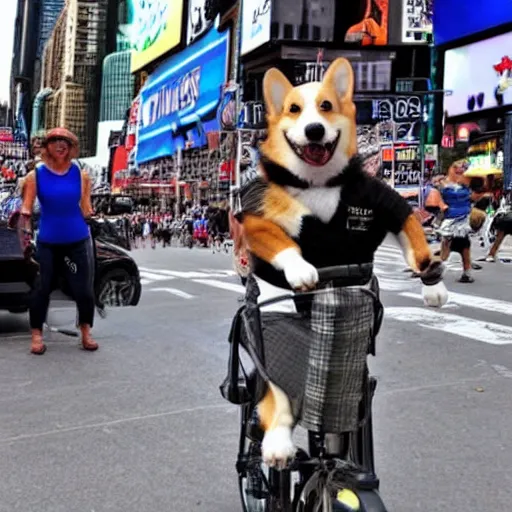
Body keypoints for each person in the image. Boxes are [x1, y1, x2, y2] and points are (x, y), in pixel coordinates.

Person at [21, 128, 98, 355]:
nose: (60, 145)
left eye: (65, 141)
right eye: (55, 141)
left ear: (71, 147)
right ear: (47, 147)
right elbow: (27, 207)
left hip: (78, 239)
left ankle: (85, 330)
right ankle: (36, 334)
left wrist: (94, 218)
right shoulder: (36, 175)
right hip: (48, 241)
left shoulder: (81, 175)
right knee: (41, 288)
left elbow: (86, 208)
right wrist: (24, 229)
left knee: (83, 289)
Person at [438, 160, 474, 283]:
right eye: (457, 168)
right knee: (446, 243)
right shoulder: (442, 182)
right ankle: (438, 271)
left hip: (463, 216)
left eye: (463, 168)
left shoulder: (468, 183)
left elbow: (475, 196)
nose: (460, 170)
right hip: (450, 216)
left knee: (464, 245)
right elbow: (437, 197)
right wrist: (442, 205)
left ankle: (467, 272)